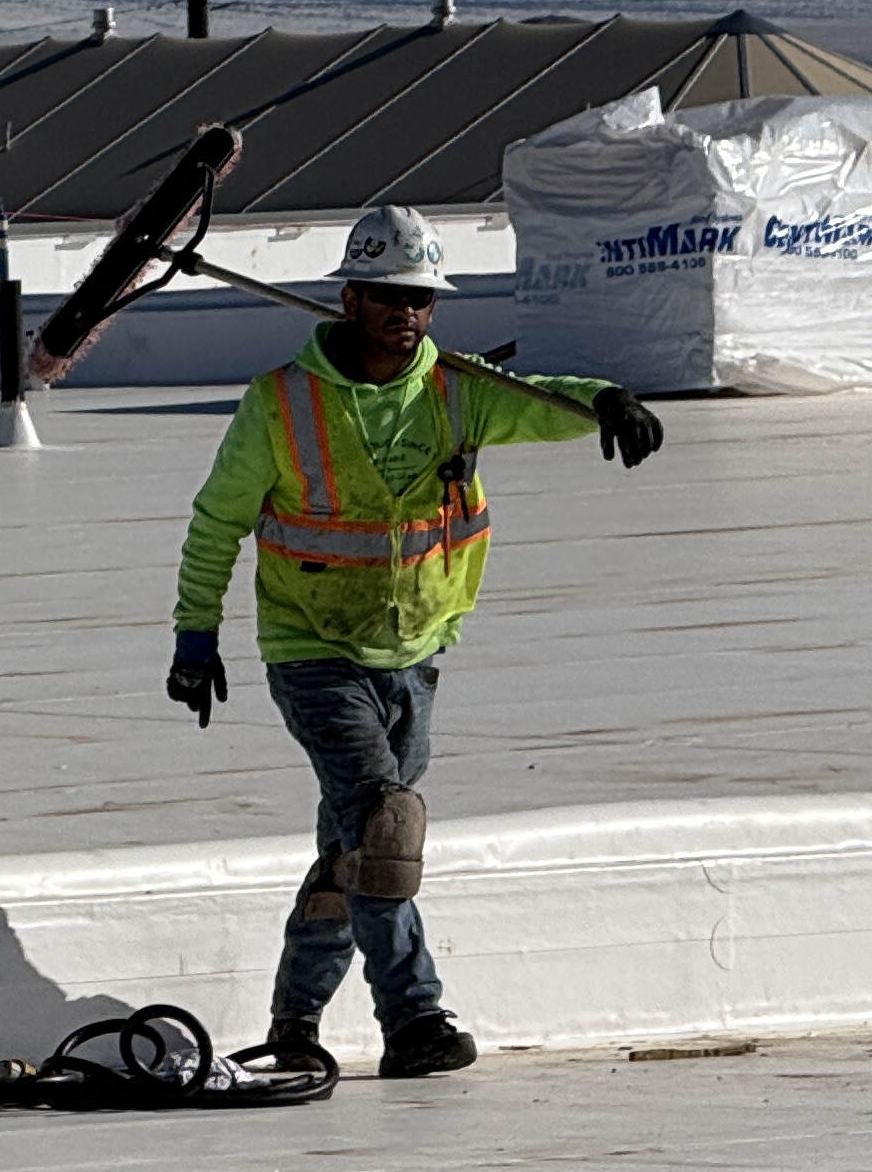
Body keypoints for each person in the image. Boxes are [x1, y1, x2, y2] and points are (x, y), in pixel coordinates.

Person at [164, 202, 664, 1081]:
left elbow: (547, 403)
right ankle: (415, 1020)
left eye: (423, 298)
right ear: (350, 298)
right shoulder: (280, 403)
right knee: (388, 829)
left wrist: (607, 403)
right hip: (311, 649)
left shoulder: (457, 390)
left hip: (418, 653)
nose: (409, 313)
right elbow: (217, 524)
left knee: (354, 849)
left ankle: (293, 1024)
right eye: (391, 295)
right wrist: (194, 638)